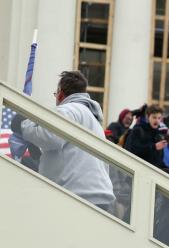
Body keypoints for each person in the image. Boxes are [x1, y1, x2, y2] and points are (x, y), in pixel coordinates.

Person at [13, 70, 117, 215]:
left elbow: (50, 136)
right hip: (96, 195)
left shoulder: (68, 109)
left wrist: (23, 125)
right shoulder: (91, 118)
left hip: (77, 195)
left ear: (60, 93)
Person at [123, 104, 167, 170]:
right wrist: (154, 147)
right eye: (154, 117)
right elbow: (133, 150)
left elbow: (159, 163)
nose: (157, 120)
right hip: (134, 171)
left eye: (159, 118)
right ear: (147, 117)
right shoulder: (138, 130)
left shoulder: (159, 137)